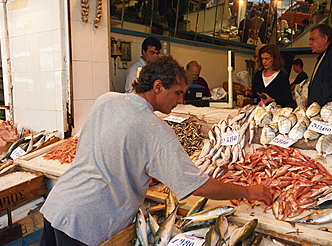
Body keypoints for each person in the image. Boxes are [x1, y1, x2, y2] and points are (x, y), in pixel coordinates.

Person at [39, 55, 272, 246]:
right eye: (178, 93)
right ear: (158, 87)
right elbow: (199, 186)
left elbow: (102, 146)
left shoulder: (105, 100)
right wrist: (249, 191)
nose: (180, 100)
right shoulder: (155, 129)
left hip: (59, 203)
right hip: (89, 221)